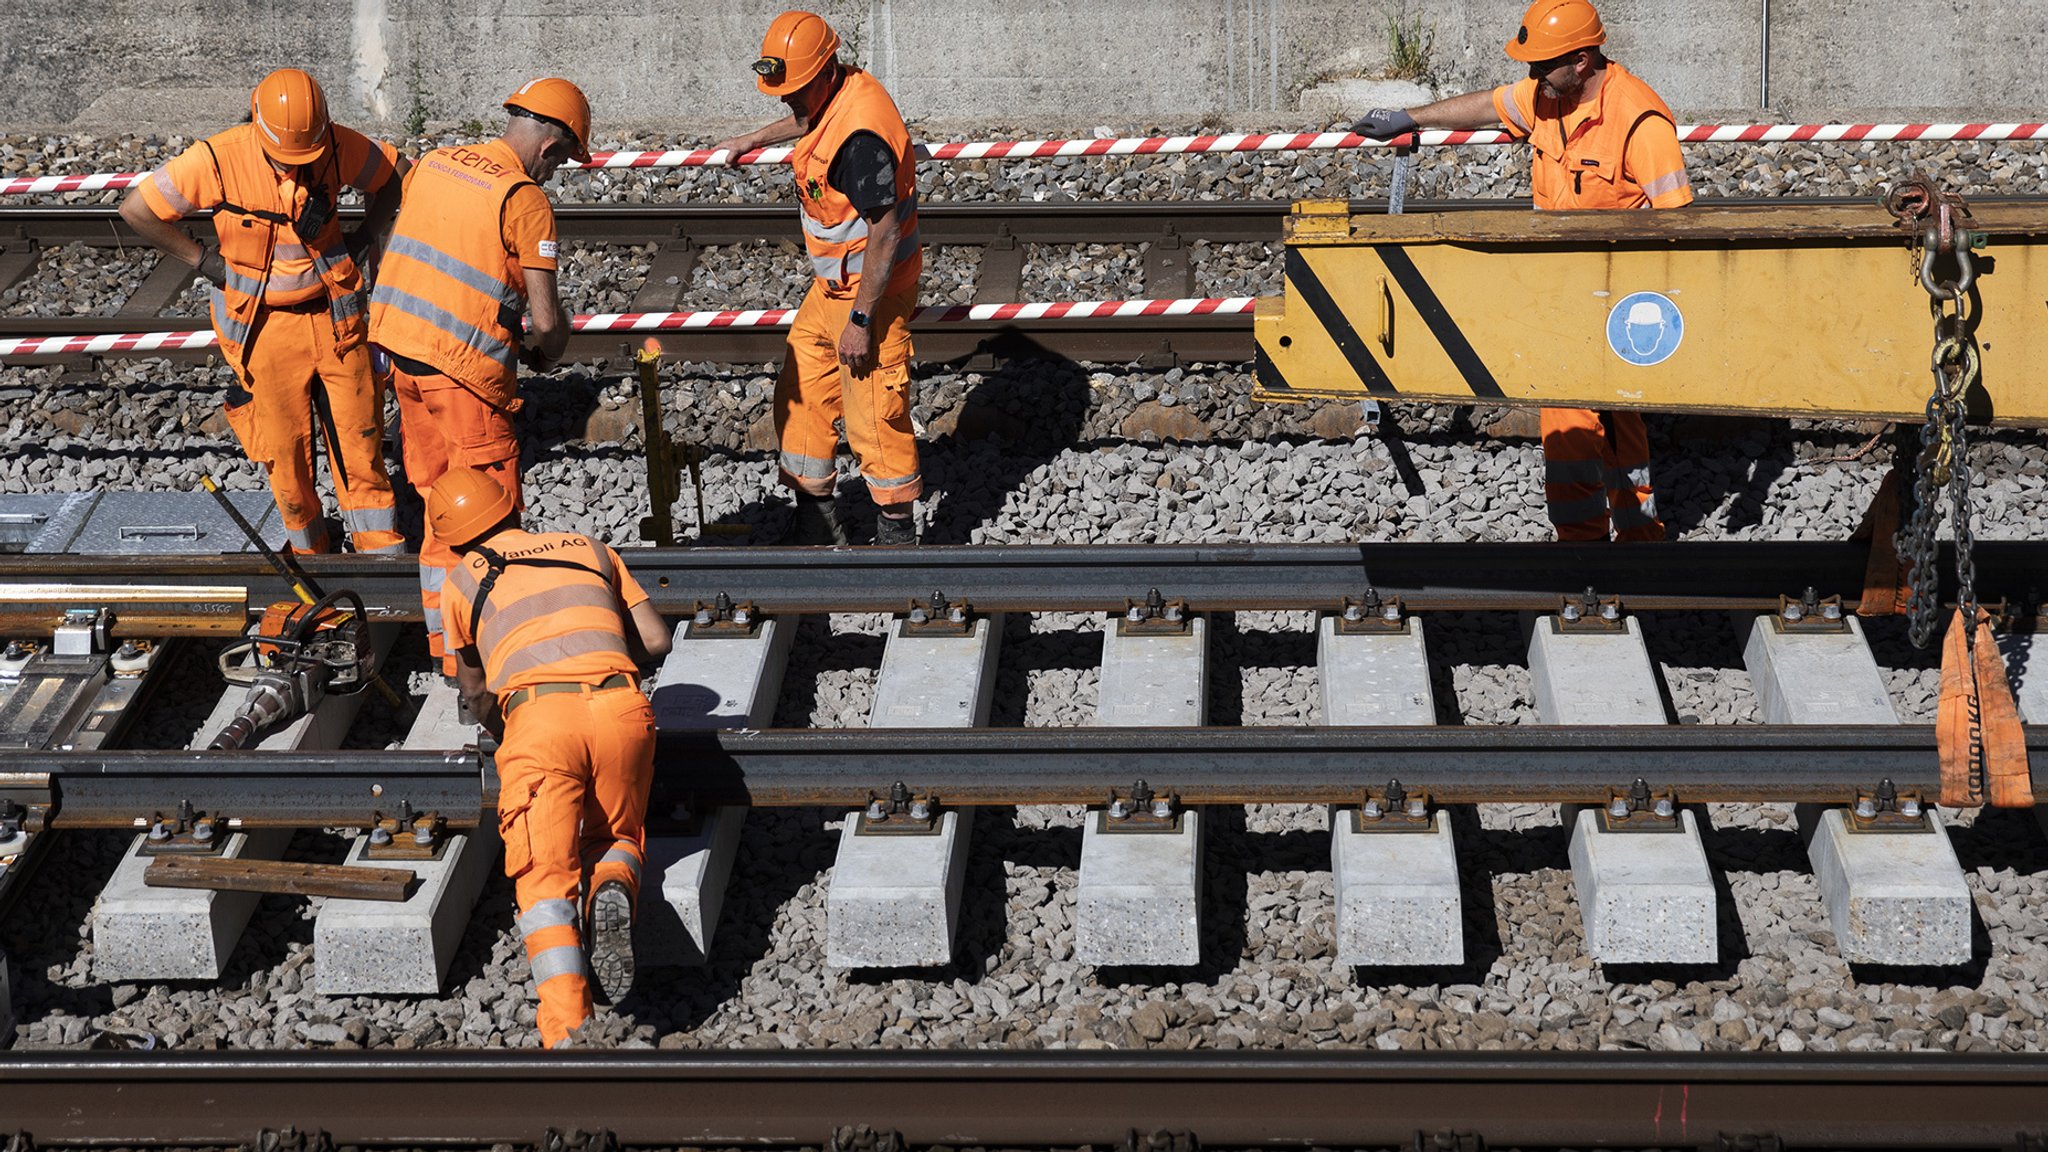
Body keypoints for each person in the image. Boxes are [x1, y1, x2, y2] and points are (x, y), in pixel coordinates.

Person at [1352, 0, 1692, 542]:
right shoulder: (1549, 97)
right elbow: (1487, 105)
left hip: (1619, 296)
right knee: (1617, 419)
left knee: (1571, 421)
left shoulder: (1639, 119)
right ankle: (1638, 542)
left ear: (1581, 60)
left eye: (1541, 64)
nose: (1531, 75)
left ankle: (1585, 549)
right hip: (1563, 291)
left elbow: (1679, 225)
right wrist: (1410, 117)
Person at [428, 467, 672, 1049]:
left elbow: (475, 691)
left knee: (545, 884)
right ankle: (613, 880)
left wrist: (505, 728)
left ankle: (568, 1038)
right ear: (510, 508)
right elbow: (658, 640)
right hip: (621, 706)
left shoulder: (463, 580)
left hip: (539, 722)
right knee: (617, 833)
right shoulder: (590, 547)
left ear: (455, 538)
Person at [119, 68, 406, 555]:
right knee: (287, 461)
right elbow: (136, 209)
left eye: (307, 158)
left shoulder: (335, 144)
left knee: (362, 448)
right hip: (266, 330)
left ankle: (380, 559)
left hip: (337, 321)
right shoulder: (219, 159)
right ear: (258, 125)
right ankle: (312, 560)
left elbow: (395, 178)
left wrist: (362, 237)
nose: (297, 168)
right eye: (286, 159)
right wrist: (202, 261)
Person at [369, 77, 587, 675]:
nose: (556, 170)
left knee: (442, 508)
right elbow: (546, 321)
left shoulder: (437, 164)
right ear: (549, 145)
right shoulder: (523, 197)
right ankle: (483, 657)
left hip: (404, 361)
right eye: (564, 159)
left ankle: (448, 650)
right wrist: (549, 350)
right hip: (464, 378)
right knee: (486, 518)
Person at [710, 10, 924, 546]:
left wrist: (860, 320)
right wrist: (752, 138)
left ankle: (897, 532)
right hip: (833, 288)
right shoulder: (832, 94)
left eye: (794, 90)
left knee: (873, 411)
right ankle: (815, 518)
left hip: (868, 294)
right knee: (802, 389)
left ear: (825, 73)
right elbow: (809, 119)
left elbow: (885, 233)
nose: (787, 99)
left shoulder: (861, 139)